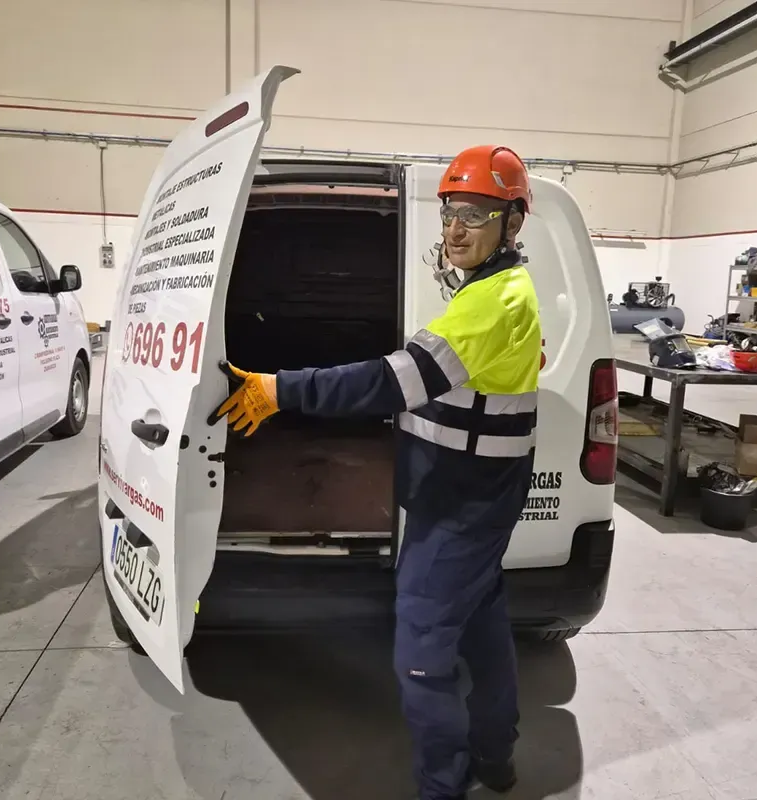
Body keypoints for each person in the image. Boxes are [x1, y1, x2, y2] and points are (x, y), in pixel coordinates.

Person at [211, 145, 542, 800]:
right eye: (450, 211)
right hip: (473, 496)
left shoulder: (490, 305)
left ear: (513, 224)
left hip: (459, 509)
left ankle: (442, 786)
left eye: (475, 214)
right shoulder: (494, 290)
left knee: (420, 658)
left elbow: (391, 382)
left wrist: (282, 390)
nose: (455, 229)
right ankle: (495, 757)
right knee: (483, 627)